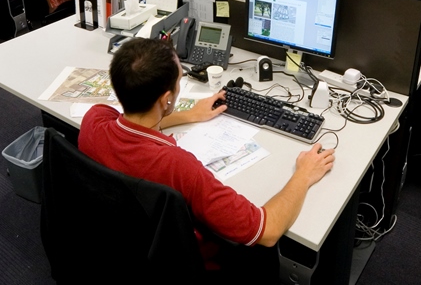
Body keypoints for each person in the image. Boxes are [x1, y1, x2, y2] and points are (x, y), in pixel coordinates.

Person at [79, 37, 335, 258]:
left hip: (120, 248)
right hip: (184, 263)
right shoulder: (179, 166)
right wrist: (304, 174)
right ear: (167, 99)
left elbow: (137, 121)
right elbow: (267, 231)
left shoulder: (94, 121)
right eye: (179, 80)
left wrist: (189, 114)